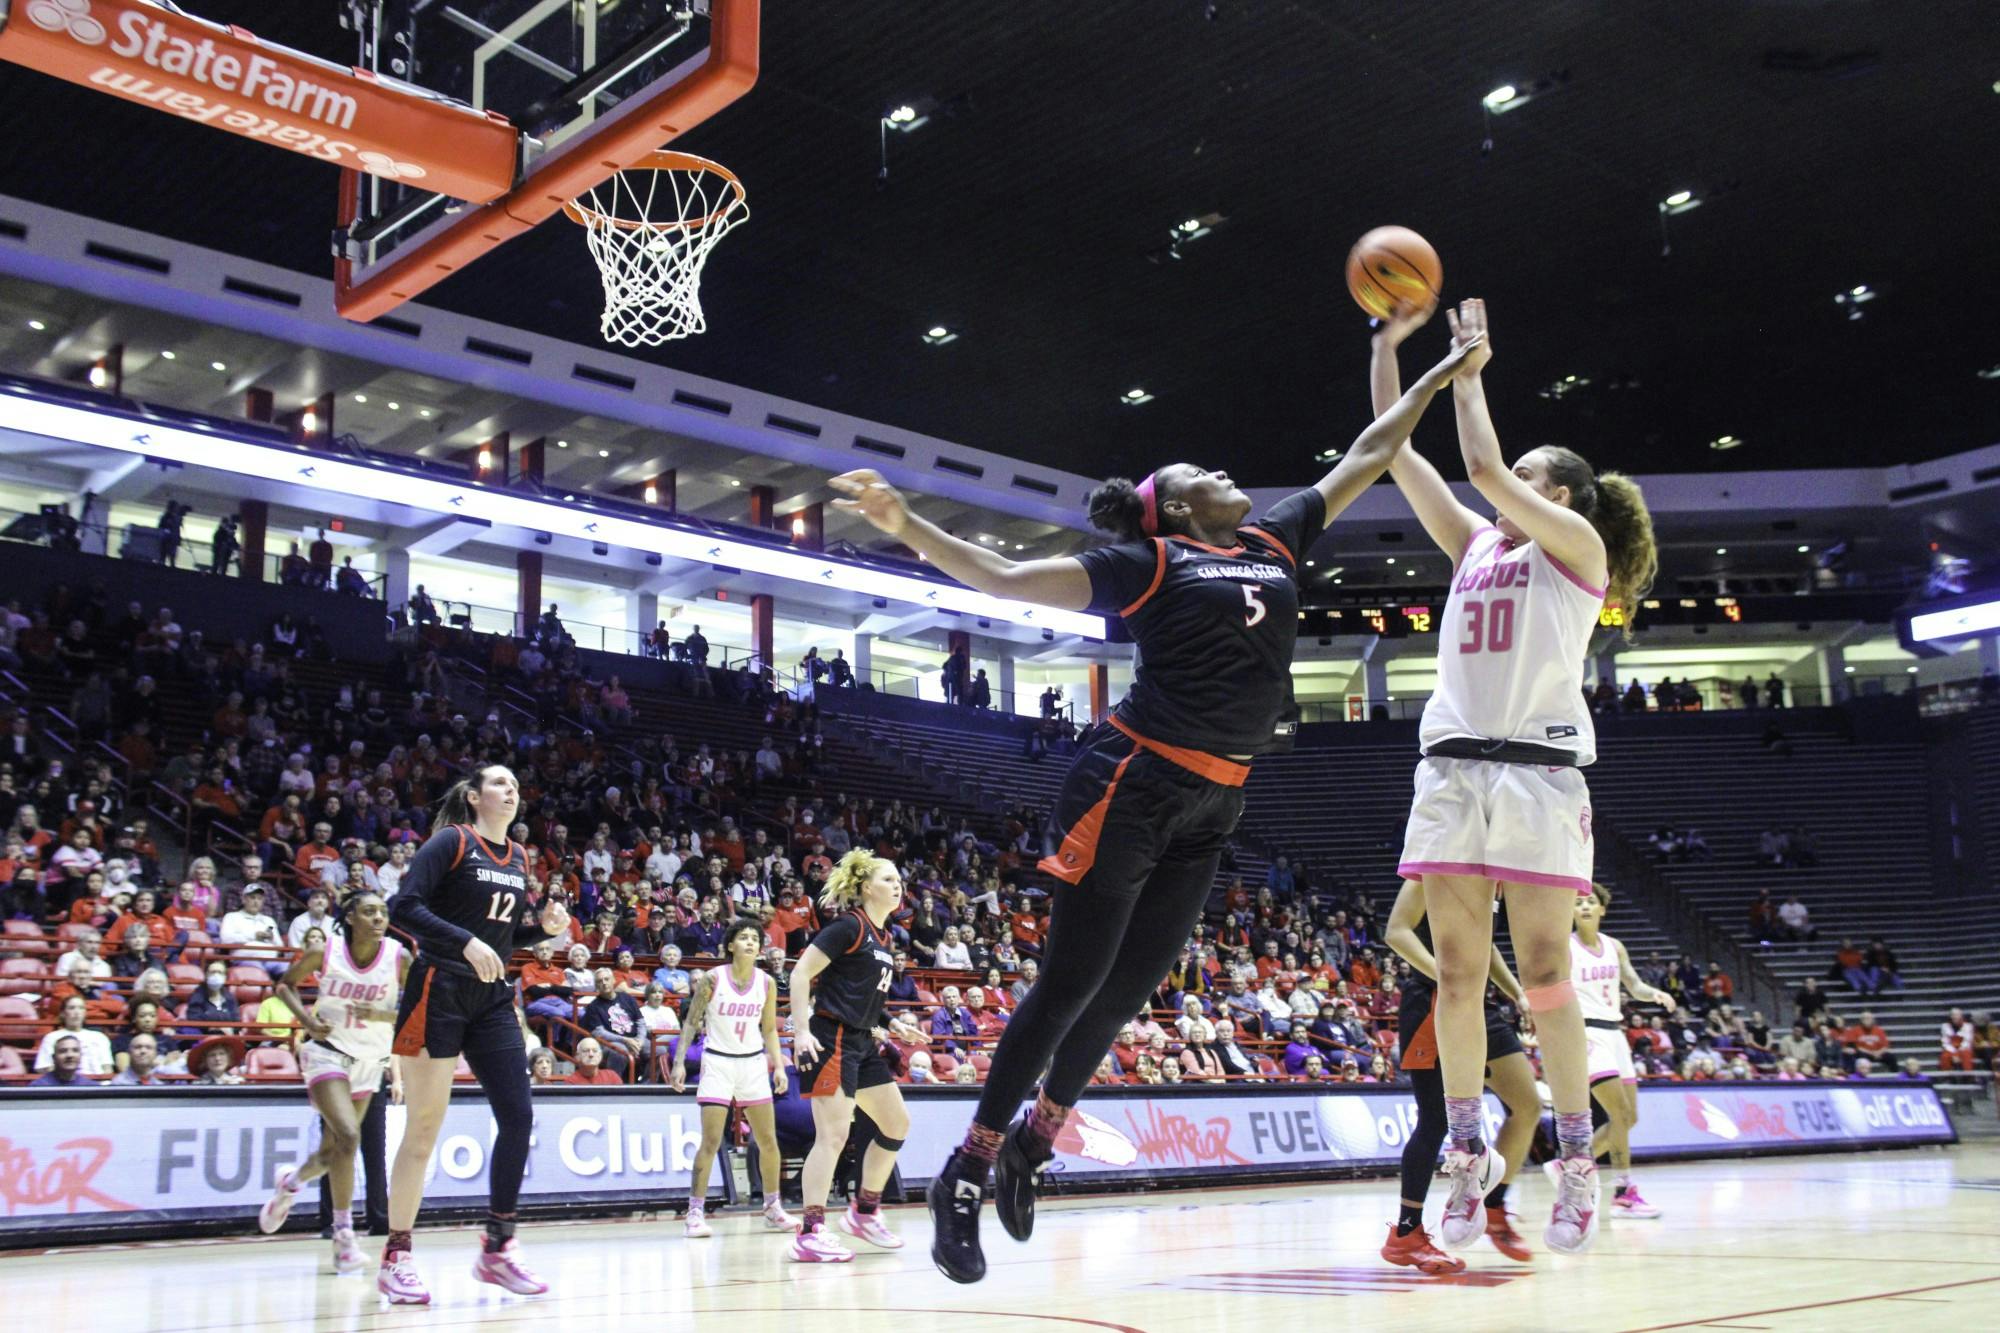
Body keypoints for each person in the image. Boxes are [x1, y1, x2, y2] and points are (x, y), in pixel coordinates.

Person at [828, 318, 1480, 1285]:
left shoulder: (1274, 534)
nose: (1223, 469)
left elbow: (1372, 448)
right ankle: (962, 1169)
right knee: (1069, 985)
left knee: (1130, 994)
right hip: (1129, 783)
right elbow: (1007, 576)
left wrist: (1441, 372)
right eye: (1199, 471)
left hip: (1216, 798)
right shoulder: (1152, 564)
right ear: (1173, 508)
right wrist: (906, 524)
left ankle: (1031, 1145)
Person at [1376, 297, 1657, 1257]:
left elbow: (1484, 465)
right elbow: (1394, 452)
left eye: (1531, 479)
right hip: (1453, 771)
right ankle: (1463, 1150)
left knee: (1542, 974)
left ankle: (1575, 1160)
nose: (1506, 488)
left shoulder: (1576, 551)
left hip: (1539, 775)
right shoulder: (1475, 546)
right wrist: (1388, 350)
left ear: (1561, 497)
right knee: (1458, 972)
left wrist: (1472, 367)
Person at [377, 764, 570, 1305]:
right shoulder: (451, 841)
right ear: (473, 795)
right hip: (437, 988)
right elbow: (404, 907)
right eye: (500, 783)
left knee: (519, 1114)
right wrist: (464, 942)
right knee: (423, 1129)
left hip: (490, 996)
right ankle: (397, 1256)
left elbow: (503, 936)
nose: (511, 790)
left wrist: (543, 932)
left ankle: (497, 1248)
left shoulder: (520, 857)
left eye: (516, 784)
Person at [1380, 879, 1538, 1271]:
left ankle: (1495, 1207)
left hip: (1477, 1003)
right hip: (1433, 1002)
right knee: (1434, 1121)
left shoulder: (1496, 876)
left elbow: (1484, 944)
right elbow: (1396, 931)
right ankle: (1406, 1233)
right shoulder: (1435, 862)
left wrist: (1516, 991)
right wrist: (1445, 975)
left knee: (1527, 1105)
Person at [258, 890, 407, 1276]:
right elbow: (285, 985)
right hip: (326, 1052)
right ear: (351, 917)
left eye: (383, 912)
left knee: (333, 1151)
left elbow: (423, 1004)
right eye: (369, 911)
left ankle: (290, 1184)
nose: (378, 918)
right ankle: (344, 1237)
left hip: (370, 1061)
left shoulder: (398, 956)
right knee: (348, 1134)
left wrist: (380, 1013)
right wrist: (306, 1023)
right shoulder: (326, 952)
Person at [788, 851, 911, 1262]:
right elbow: (800, 974)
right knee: (834, 1136)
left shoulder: (885, 937)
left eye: (899, 880)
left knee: (896, 1123)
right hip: (831, 1039)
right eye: (888, 879)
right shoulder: (847, 926)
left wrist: (892, 1024)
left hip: (863, 1041)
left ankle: (864, 1211)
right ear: (864, 888)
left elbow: (864, 995)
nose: (897, 885)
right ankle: (810, 1231)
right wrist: (800, 1030)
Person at [672, 917, 799, 1238]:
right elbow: (691, 1022)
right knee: (711, 1142)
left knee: (768, 1140)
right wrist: (678, 1062)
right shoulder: (712, 979)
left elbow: (769, 1028)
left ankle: (772, 1207)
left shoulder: (767, 983)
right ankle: (695, 1213)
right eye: (743, 938)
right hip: (718, 1063)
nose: (751, 943)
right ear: (730, 945)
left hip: (753, 1064)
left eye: (755, 939)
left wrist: (779, 1066)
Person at [1570, 884, 1675, 1220]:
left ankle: (1570, 1165)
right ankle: (1623, 1192)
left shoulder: (1615, 947)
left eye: (1590, 901)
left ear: (1602, 909)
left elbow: (1634, 985)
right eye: (1578, 903)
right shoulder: (1564, 947)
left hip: (1615, 1034)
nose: (1584, 906)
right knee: (1617, 1114)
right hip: (1586, 1032)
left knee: (1629, 1118)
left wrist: (1654, 994)